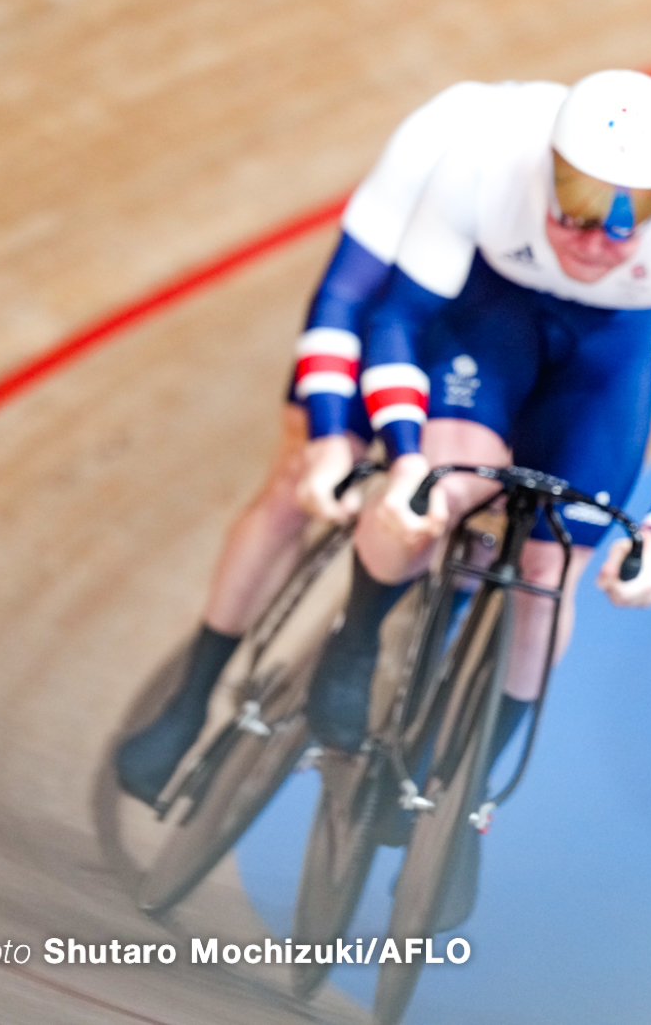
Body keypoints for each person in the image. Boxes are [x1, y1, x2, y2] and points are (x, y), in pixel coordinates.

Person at [302, 70, 651, 820]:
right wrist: (407, 452)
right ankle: (354, 642)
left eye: (629, 216)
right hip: (495, 321)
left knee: (554, 570)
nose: (598, 239)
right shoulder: (486, 169)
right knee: (439, 493)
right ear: (545, 170)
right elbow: (399, 321)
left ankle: (465, 792)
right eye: (577, 204)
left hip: (605, 363)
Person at [113, 90, 463, 804]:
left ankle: (433, 707)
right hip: (389, 325)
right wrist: (333, 435)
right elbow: (343, 296)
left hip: (492, 349)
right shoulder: (435, 147)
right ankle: (191, 699)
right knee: (294, 480)